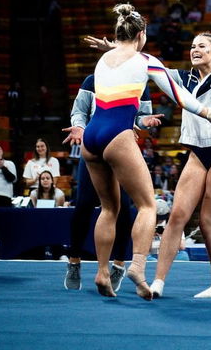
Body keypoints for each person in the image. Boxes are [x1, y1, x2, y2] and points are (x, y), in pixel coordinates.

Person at [81, 3, 211, 298]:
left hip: (91, 135)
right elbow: (179, 96)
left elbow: (117, 60)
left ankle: (101, 272)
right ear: (141, 34)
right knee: (147, 205)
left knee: (108, 208)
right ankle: (136, 266)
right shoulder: (146, 60)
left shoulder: (103, 60)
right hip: (117, 135)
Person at [150, 33, 211, 299]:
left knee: (207, 221)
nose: (194, 50)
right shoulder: (185, 78)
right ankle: (158, 282)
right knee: (176, 217)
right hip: (197, 153)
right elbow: (157, 72)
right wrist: (126, 51)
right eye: (191, 46)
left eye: (201, 46)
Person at [61, 73, 159, 292]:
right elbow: (79, 111)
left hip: (121, 146)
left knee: (123, 207)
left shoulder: (139, 81)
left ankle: (118, 264)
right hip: (94, 142)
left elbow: (142, 116)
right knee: (84, 204)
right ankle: (74, 261)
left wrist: (145, 122)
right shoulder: (92, 80)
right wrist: (79, 127)